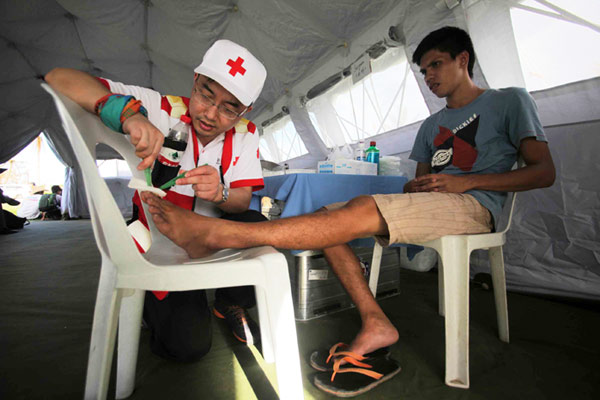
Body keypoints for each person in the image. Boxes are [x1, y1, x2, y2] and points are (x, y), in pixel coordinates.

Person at [140, 26, 556, 395]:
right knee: (330, 211)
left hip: (474, 206)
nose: (428, 77)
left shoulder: (509, 102)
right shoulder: (431, 128)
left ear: (463, 60)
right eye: (423, 70)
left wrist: (466, 182)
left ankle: (222, 234)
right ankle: (375, 321)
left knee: (353, 209)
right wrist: (416, 186)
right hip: (433, 203)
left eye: (435, 65)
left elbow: (543, 172)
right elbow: (418, 182)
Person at [45, 39, 268, 362]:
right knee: (188, 347)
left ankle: (228, 302)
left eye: (229, 107)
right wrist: (128, 116)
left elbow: (242, 201)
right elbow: (59, 77)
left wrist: (220, 193)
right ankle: (152, 298)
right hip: (160, 242)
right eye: (207, 94)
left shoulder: (246, 133)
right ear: (195, 81)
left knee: (256, 225)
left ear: (244, 111)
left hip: (210, 237)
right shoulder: (158, 107)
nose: (210, 113)